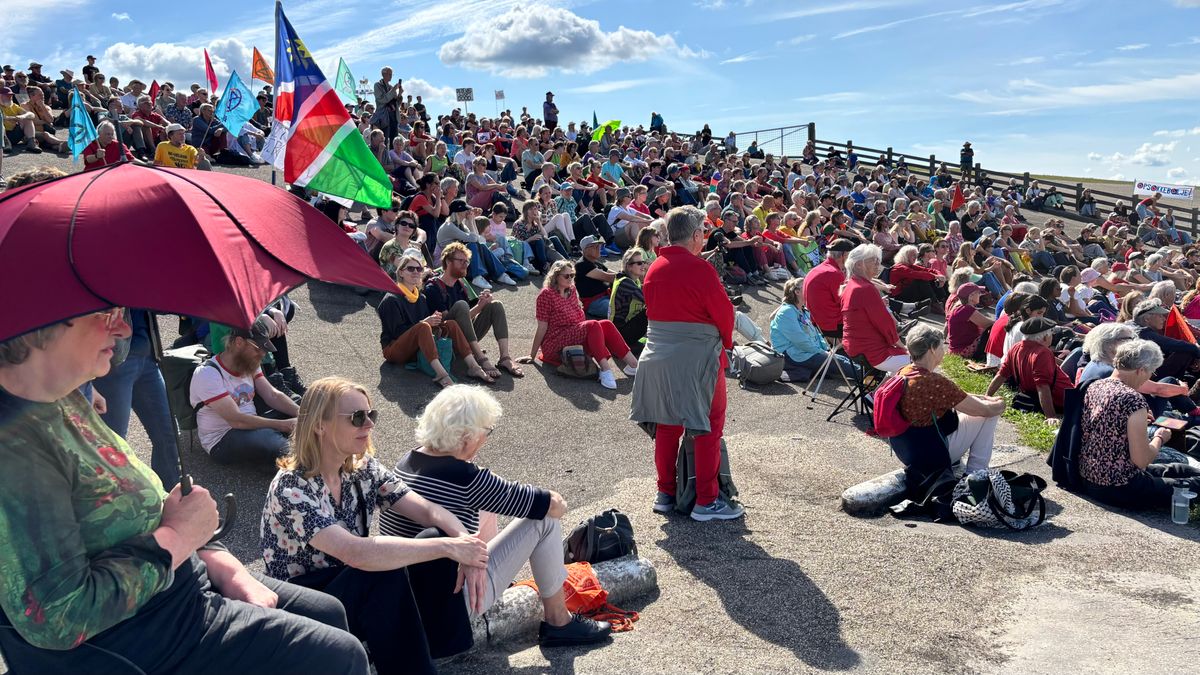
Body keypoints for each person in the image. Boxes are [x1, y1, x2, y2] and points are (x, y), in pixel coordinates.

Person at [0, 308, 369, 675]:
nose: (126, 327)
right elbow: (58, 617)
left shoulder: (65, 400)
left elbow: (146, 505)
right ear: (36, 327)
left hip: (177, 584)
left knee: (329, 612)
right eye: (105, 314)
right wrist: (178, 536)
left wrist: (223, 564)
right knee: (339, 655)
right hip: (139, 633)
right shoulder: (13, 449)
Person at [260, 377, 492, 674]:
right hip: (300, 604)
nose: (368, 425)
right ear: (320, 425)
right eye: (357, 418)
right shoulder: (292, 487)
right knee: (381, 572)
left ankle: (441, 651)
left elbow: (430, 512)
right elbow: (354, 552)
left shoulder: (361, 467)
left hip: (344, 587)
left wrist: (464, 543)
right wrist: (451, 547)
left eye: (371, 415)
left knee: (436, 535)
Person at [378, 385, 613, 649]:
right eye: (486, 432)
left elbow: (496, 498)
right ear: (466, 437)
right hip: (448, 603)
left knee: (491, 505)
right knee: (544, 520)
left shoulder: (406, 462)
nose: (486, 439)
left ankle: (501, 582)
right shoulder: (468, 479)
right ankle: (559, 621)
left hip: (405, 592)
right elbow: (554, 505)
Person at [632, 206, 742, 521]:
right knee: (708, 425)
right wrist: (728, 343)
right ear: (696, 235)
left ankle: (665, 492)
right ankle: (706, 502)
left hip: (658, 357)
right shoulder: (701, 269)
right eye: (703, 233)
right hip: (698, 360)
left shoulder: (653, 267)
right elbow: (724, 315)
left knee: (667, 424)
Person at [1079, 340, 1200, 510]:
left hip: (1091, 478)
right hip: (1122, 488)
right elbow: (1142, 461)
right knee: (1196, 484)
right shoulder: (1133, 400)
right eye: (1151, 371)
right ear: (1140, 370)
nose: (1150, 376)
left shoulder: (1096, 386)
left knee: (1179, 469)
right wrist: (1159, 438)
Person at [889, 324, 1006, 489]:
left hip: (908, 451)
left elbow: (957, 396)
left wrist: (981, 398)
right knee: (989, 412)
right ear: (932, 349)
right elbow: (983, 410)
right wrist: (1001, 404)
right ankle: (976, 473)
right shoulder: (934, 382)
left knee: (981, 405)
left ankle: (971, 469)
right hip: (932, 456)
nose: (943, 351)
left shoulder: (904, 372)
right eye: (941, 347)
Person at [91, 310, 181, 489]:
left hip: (148, 357)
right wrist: (88, 384)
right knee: (113, 445)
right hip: (114, 364)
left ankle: (173, 499)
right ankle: (114, 505)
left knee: (168, 432)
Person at [189, 317, 299, 464]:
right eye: (258, 348)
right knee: (279, 447)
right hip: (223, 438)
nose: (263, 354)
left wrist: (304, 414)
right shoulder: (208, 374)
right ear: (239, 342)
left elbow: (272, 395)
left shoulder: (249, 362)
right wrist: (283, 425)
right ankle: (307, 465)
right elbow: (236, 420)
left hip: (251, 423)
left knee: (301, 407)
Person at [377, 252, 496, 387]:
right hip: (394, 350)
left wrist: (435, 322)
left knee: (450, 324)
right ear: (401, 273)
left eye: (419, 268)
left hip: (416, 348)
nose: (416, 272)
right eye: (410, 268)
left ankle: (473, 366)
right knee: (423, 326)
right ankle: (442, 374)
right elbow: (396, 333)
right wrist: (425, 323)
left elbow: (425, 329)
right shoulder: (391, 299)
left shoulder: (421, 298)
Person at [524, 260, 638, 389]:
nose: (570, 278)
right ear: (555, 276)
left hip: (575, 335)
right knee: (593, 324)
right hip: (555, 342)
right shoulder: (546, 295)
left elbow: (579, 317)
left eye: (572, 275)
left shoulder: (571, 290)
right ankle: (606, 370)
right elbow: (542, 326)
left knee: (606, 324)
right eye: (566, 276)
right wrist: (532, 355)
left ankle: (633, 365)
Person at [425, 242, 523, 378]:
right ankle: (480, 357)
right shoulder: (433, 287)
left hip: (464, 335)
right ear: (448, 262)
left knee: (495, 305)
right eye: (461, 261)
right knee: (461, 305)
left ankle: (505, 358)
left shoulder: (460, 285)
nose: (465, 265)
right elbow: (451, 321)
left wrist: (483, 303)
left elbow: (466, 319)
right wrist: (479, 307)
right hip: (447, 338)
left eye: (467, 261)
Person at [770, 278, 858, 383]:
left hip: (806, 351)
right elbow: (800, 340)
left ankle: (871, 373)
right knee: (838, 362)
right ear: (797, 292)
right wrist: (821, 352)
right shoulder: (786, 312)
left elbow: (816, 335)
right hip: (793, 355)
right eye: (805, 287)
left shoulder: (803, 310)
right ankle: (870, 377)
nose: (809, 289)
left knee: (843, 357)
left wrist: (825, 349)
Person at [841, 244, 909, 374]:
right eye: (873, 260)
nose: (878, 263)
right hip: (872, 351)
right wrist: (901, 345)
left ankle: (877, 394)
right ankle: (884, 394)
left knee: (905, 369)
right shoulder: (865, 288)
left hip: (854, 347)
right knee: (924, 364)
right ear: (859, 264)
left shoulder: (851, 285)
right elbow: (884, 322)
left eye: (878, 259)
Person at [986, 316, 1072, 419]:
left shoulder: (1016, 348)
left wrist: (987, 397)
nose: (1052, 336)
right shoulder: (1042, 353)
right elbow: (1042, 386)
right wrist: (1051, 416)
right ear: (1045, 337)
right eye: (1051, 333)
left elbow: (1001, 375)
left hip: (1033, 395)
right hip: (1062, 400)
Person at [1128, 298, 1200, 381]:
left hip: (1141, 374)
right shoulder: (1144, 333)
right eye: (1159, 316)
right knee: (1185, 351)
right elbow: (1176, 345)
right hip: (1146, 379)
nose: (1164, 319)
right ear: (1147, 319)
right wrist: (1198, 354)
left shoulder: (1131, 325)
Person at [803, 239, 855, 338]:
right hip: (830, 326)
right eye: (851, 256)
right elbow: (846, 302)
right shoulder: (834, 273)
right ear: (843, 255)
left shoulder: (822, 268)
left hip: (817, 321)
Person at [610, 248, 649, 356]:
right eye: (639, 263)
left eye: (644, 262)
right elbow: (648, 300)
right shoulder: (625, 283)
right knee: (650, 311)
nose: (643, 266)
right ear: (629, 266)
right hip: (620, 333)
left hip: (623, 330)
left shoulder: (634, 281)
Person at [890, 244, 948, 311]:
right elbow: (918, 274)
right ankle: (935, 304)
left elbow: (931, 270)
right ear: (905, 255)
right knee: (922, 280)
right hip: (899, 297)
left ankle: (944, 300)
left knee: (938, 281)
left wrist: (940, 276)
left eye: (916, 255)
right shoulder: (899, 267)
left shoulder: (909, 265)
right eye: (913, 255)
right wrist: (935, 276)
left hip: (909, 294)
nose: (915, 257)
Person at [945, 282, 994, 361]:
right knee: (993, 329)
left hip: (957, 349)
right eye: (978, 293)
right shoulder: (967, 309)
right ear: (971, 296)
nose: (981, 295)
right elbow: (988, 324)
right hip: (963, 350)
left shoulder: (959, 306)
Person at [575, 234, 618, 318]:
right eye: (595, 246)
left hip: (606, 297)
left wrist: (625, 275)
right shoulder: (581, 264)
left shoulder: (596, 263)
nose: (599, 248)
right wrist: (627, 274)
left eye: (599, 246)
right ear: (586, 250)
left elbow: (614, 273)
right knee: (619, 311)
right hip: (594, 302)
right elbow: (609, 277)